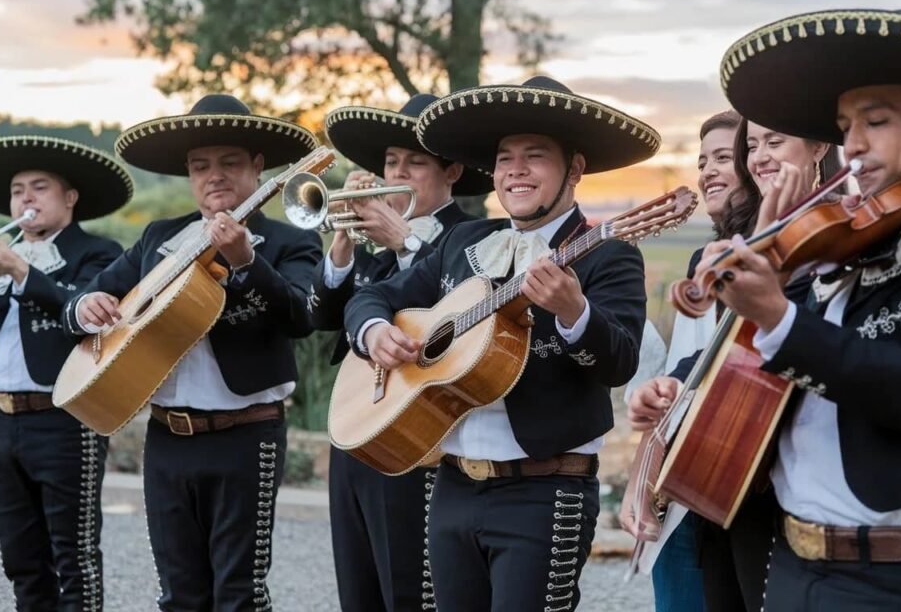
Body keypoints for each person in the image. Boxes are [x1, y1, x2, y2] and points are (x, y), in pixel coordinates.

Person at [714, 8, 901, 610]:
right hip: (794, 562)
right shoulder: (854, 233)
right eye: (845, 126)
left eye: (875, 121)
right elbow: (781, 376)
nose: (853, 146)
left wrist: (778, 317)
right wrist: (684, 397)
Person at [345, 76, 654, 611]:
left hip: (544, 490)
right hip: (453, 487)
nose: (516, 169)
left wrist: (573, 311)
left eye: (535, 156)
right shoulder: (463, 242)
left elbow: (620, 360)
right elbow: (373, 298)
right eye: (506, 157)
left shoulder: (610, 254)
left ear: (575, 169)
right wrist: (376, 333)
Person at [62, 94, 323, 611]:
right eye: (201, 166)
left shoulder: (290, 242)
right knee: (177, 594)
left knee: (239, 594)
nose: (214, 176)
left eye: (229, 163)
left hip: (247, 434)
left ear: (257, 167)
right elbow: (87, 296)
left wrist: (247, 261)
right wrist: (84, 306)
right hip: (166, 435)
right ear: (188, 173)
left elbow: (300, 316)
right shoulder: (159, 235)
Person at [628, 112, 841, 612]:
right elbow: (729, 350)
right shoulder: (739, 247)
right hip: (736, 473)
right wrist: (677, 384)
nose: (761, 156)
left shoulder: (835, 233)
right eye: (754, 146)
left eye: (776, 141)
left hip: (798, 477)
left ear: (818, 149)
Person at [316, 93, 489, 611]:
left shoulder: (471, 236)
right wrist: (344, 243)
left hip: (416, 440)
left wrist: (405, 240)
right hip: (353, 435)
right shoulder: (369, 242)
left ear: (451, 171)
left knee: (410, 593)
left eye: (415, 162)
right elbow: (320, 318)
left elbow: (463, 309)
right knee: (359, 591)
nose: (398, 172)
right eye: (391, 161)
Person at [0, 135, 130, 611]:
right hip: (0, 421)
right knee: (20, 560)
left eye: (39, 187)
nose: (25, 197)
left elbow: (84, 312)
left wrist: (20, 271)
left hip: (66, 419)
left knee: (75, 559)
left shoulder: (99, 253)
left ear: (70, 198)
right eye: (18, 189)